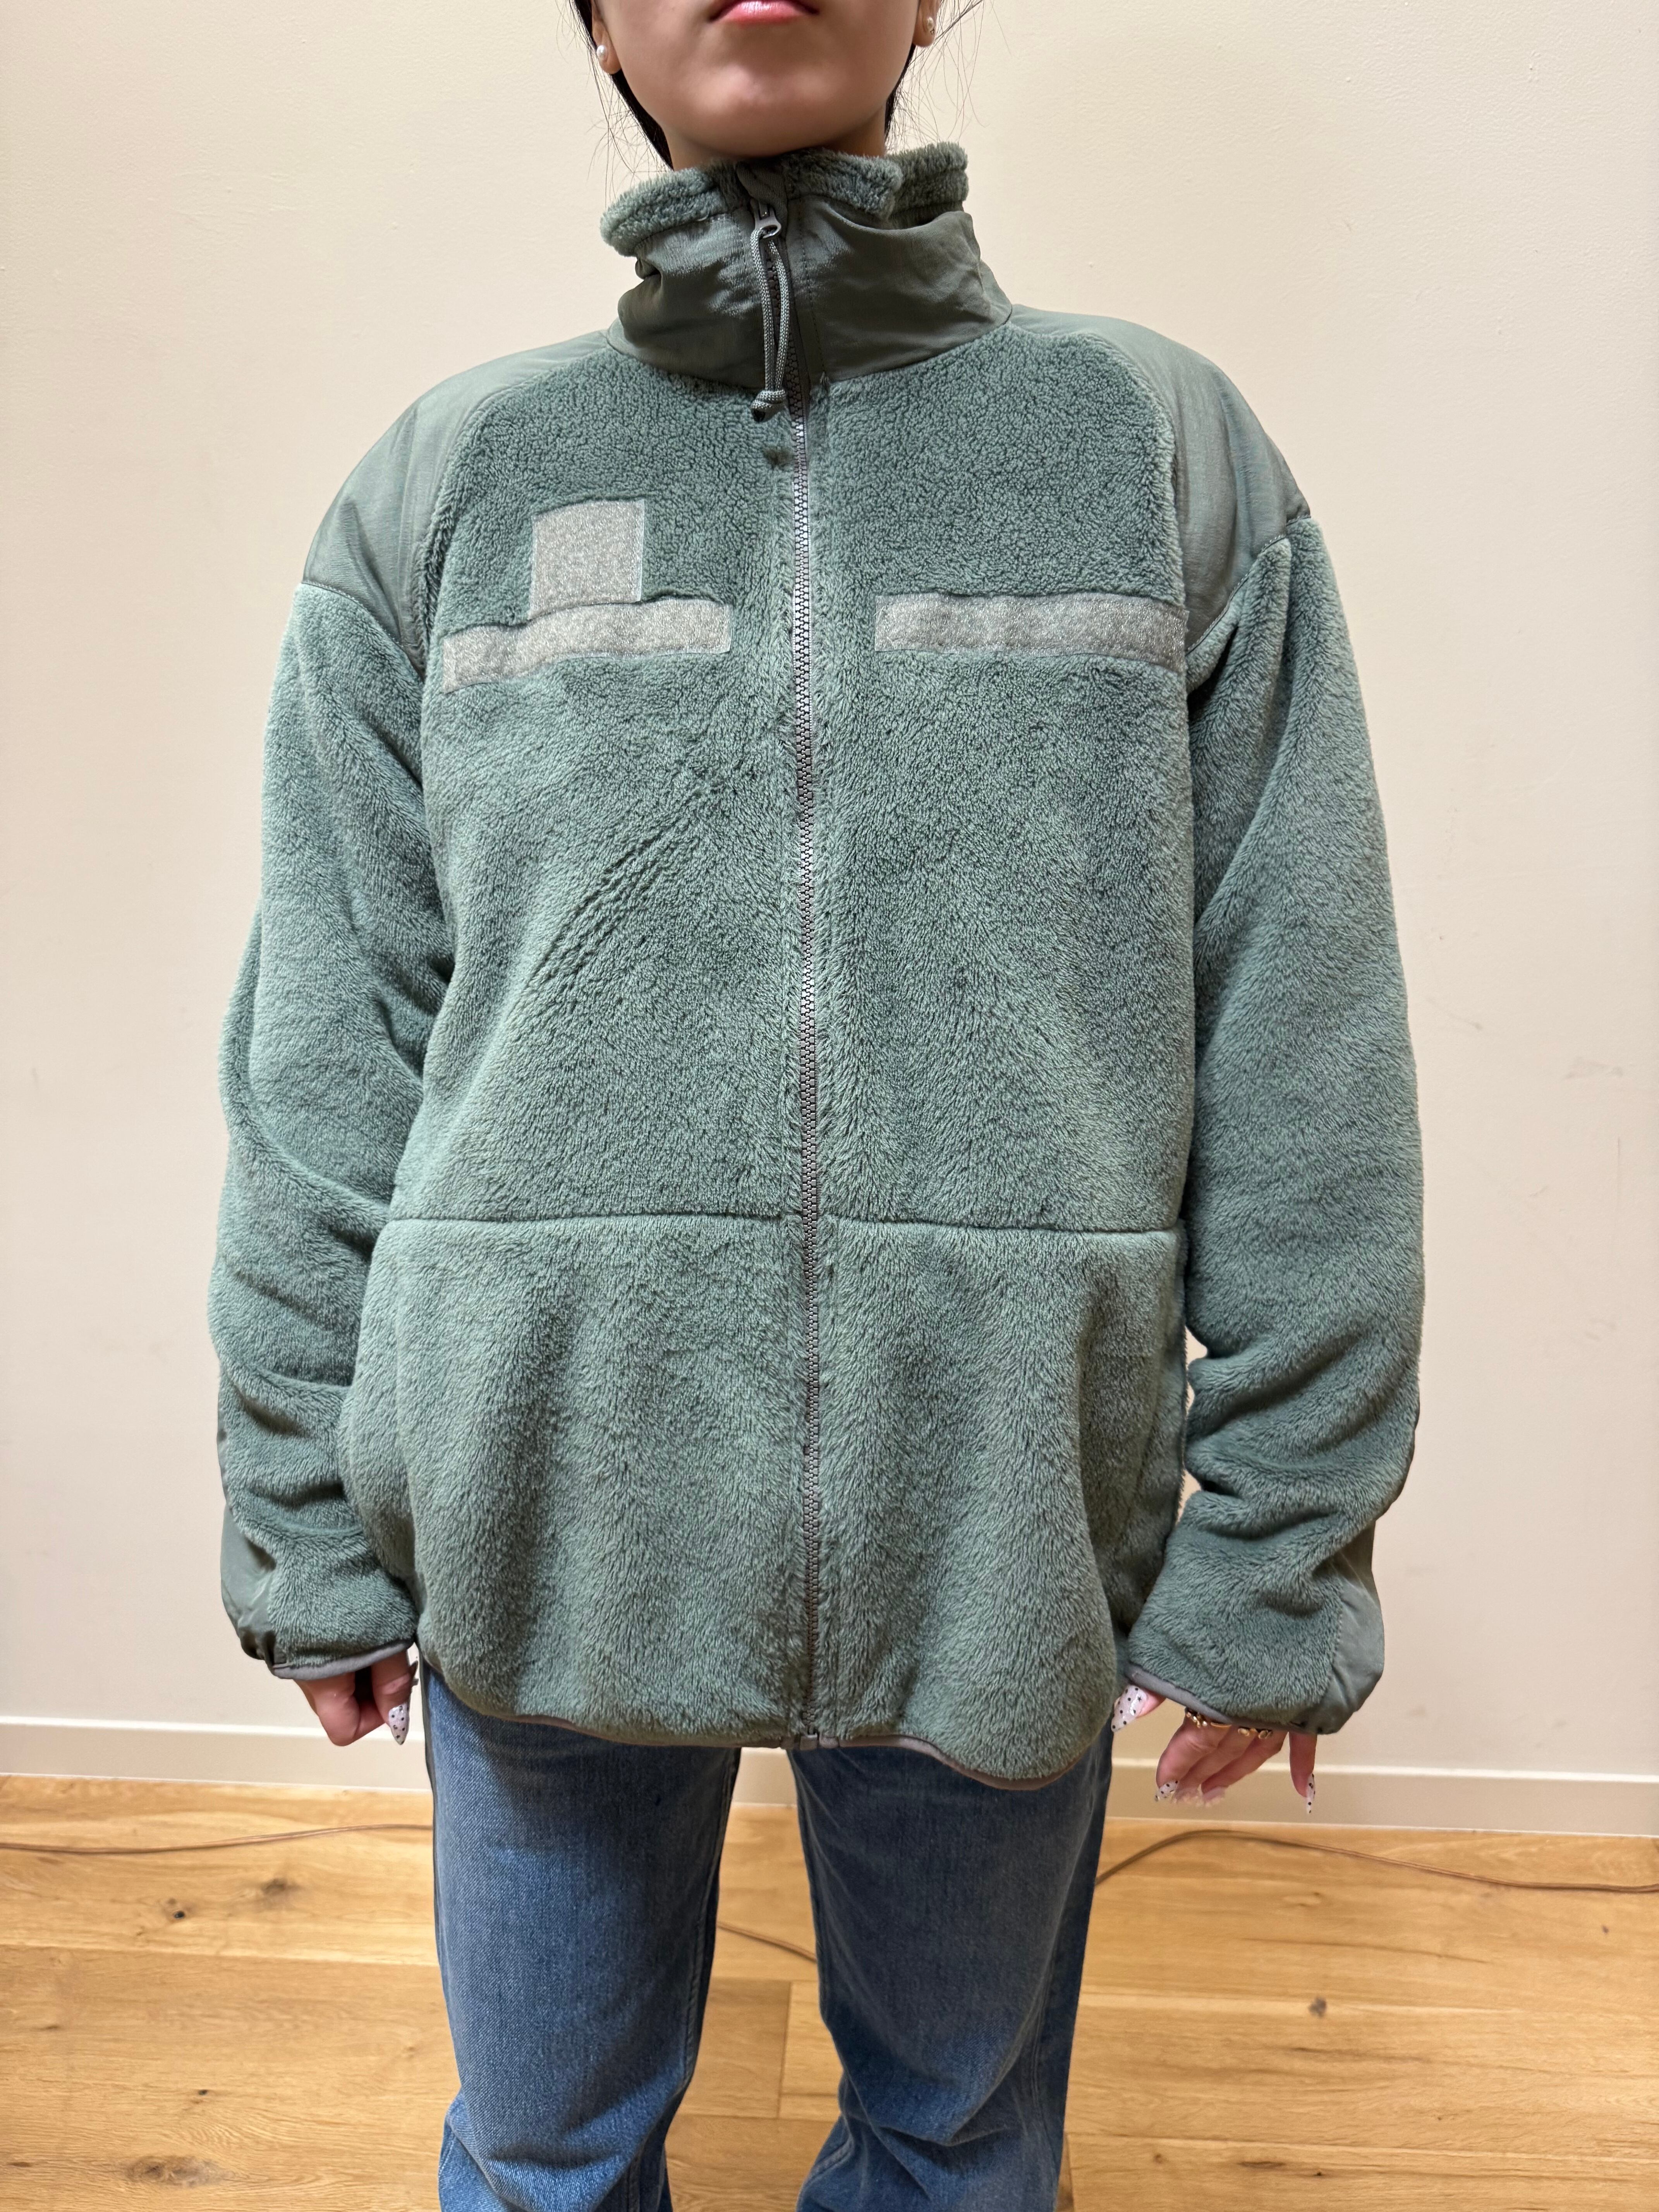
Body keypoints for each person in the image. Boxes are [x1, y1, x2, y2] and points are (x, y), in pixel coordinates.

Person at [206, 2, 1424, 2205]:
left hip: (1002, 1498)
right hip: (539, 1483)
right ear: (593, 15)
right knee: (548, 2155)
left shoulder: (1151, 444)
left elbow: (1303, 1025)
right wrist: (303, 1505)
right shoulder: (448, 481)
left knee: (960, 2145)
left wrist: (1285, 1539)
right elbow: (326, 1043)